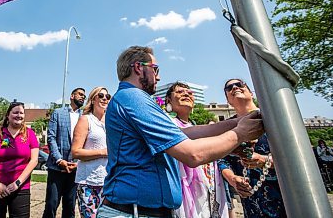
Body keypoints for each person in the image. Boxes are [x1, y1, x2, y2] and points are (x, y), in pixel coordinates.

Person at [98, 46, 264, 218]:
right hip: (132, 212)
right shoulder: (133, 97)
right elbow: (192, 154)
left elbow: (186, 133)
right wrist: (239, 133)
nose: (159, 77)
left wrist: (237, 122)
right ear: (139, 67)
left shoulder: (132, 98)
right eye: (156, 69)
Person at [218, 79, 286, 217]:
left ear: (251, 93)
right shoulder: (227, 127)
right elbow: (221, 160)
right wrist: (233, 178)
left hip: (285, 196)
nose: (234, 87)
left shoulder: (275, 118)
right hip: (251, 201)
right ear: (228, 100)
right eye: (229, 87)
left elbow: (297, 154)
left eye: (240, 84)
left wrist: (265, 160)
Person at [164, 82, 228, 218]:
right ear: (168, 100)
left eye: (189, 92)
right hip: (184, 192)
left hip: (208, 189)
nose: (186, 93)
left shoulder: (196, 126)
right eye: (180, 92)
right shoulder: (168, 124)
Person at [0, 102, 39, 218]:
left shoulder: (30, 134)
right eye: (15, 112)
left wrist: (17, 183)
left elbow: (34, 160)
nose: (19, 115)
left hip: (21, 188)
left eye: (21, 113)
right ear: (8, 115)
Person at [42, 88, 86, 218]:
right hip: (56, 167)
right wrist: (59, 160)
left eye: (84, 96)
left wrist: (78, 163)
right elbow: (51, 137)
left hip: (75, 169)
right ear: (72, 96)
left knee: (70, 206)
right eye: (80, 94)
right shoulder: (58, 113)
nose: (83, 97)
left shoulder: (85, 117)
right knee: (51, 204)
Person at [72, 87, 109, 218]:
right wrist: (102, 152)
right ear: (93, 99)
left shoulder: (111, 122)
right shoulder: (85, 120)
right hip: (88, 182)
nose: (105, 98)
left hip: (108, 182)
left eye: (107, 96)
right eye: (101, 95)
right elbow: (75, 152)